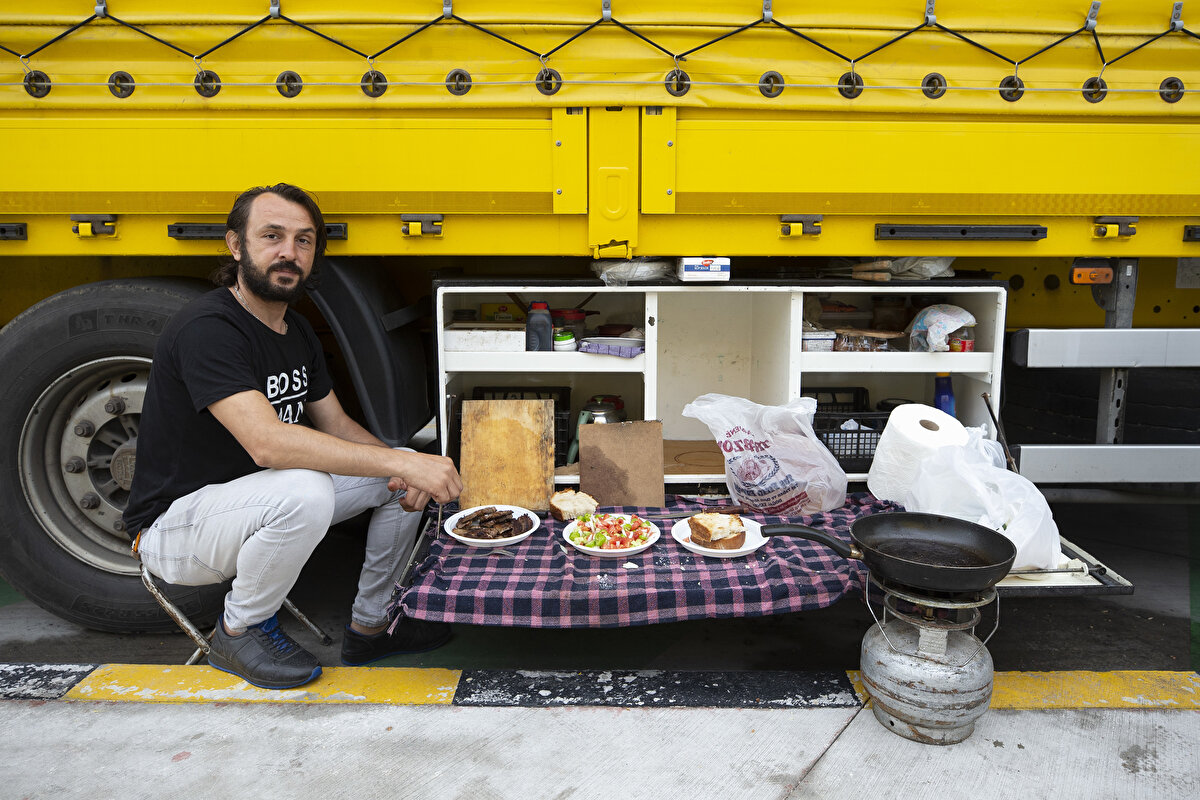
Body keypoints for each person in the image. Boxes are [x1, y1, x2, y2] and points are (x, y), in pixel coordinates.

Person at [123, 183, 463, 689]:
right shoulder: (208, 328)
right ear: (235, 245)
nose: (290, 252)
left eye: (304, 240)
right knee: (309, 488)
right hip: (175, 529)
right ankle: (238, 630)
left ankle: (372, 625)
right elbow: (268, 444)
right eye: (272, 236)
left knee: (394, 477)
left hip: (254, 503)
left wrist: (406, 465)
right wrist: (407, 464)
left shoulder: (296, 329)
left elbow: (337, 425)